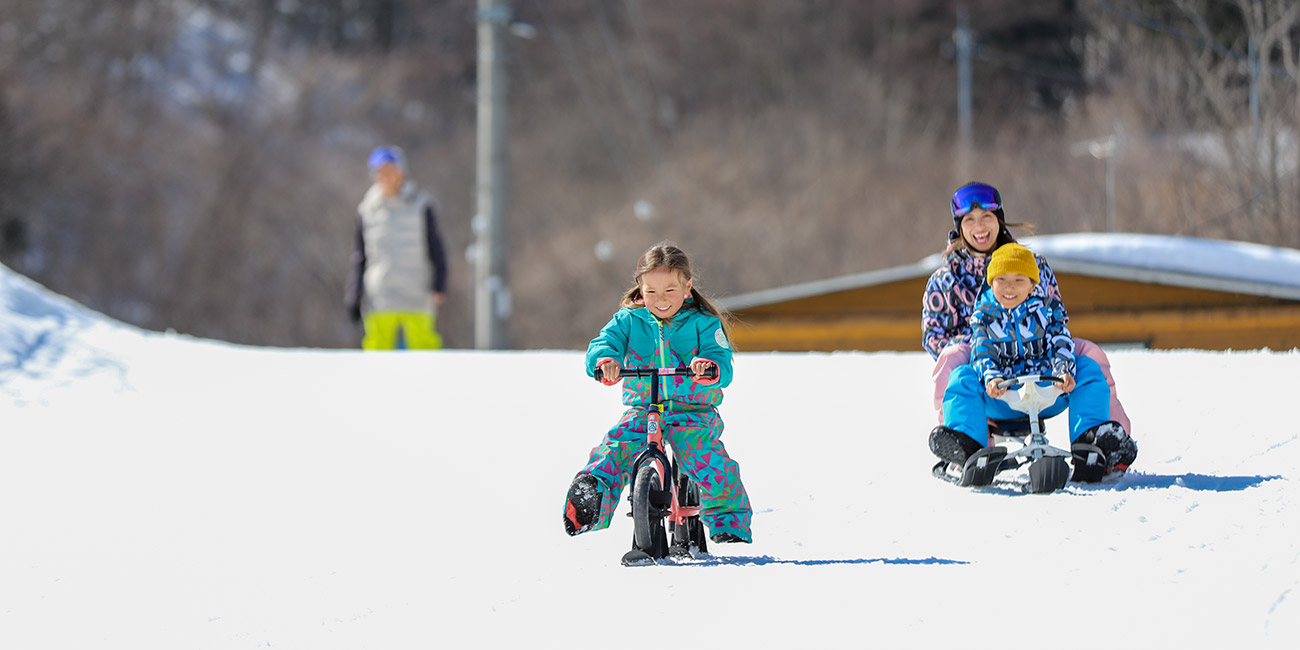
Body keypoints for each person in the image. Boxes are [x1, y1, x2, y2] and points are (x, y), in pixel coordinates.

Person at [563, 242, 753, 544]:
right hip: (644, 409)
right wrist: (606, 361)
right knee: (615, 448)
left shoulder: (703, 323)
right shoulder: (629, 320)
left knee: (707, 459)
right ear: (640, 289)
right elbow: (604, 342)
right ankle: (590, 498)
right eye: (651, 292)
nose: (660, 300)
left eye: (669, 291)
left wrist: (709, 367)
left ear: (687, 287)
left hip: (692, 412)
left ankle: (729, 521)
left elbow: (720, 358)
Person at [922, 182, 1133, 435]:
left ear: (999, 220)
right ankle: (961, 438)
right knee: (951, 359)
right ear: (959, 227)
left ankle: (1108, 436)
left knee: (1090, 355)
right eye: (969, 220)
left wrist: (1031, 335)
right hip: (979, 352)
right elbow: (934, 335)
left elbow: (1056, 313)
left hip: (1037, 344)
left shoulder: (1032, 264)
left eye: (986, 217)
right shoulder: (946, 279)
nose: (979, 227)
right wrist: (988, 337)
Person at [928, 242, 1137, 479]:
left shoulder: (1048, 312)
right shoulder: (983, 318)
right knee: (962, 378)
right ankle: (968, 447)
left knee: (1088, 368)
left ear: (1032, 285)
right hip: (1002, 396)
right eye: (1002, 279)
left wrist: (1063, 371)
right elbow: (982, 352)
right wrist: (991, 377)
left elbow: (1061, 341)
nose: (1010, 287)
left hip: (1048, 389)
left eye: (1019, 280)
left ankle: (1091, 439)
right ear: (990, 282)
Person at [345, 146, 449, 350]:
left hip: (416, 292)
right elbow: (360, 256)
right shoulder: (367, 210)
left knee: (424, 349)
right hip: (380, 294)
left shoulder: (421, 205)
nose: (386, 177)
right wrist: (354, 294)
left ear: (401, 171)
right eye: (380, 172)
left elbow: (436, 248)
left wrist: (440, 283)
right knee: (377, 350)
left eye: (390, 170)